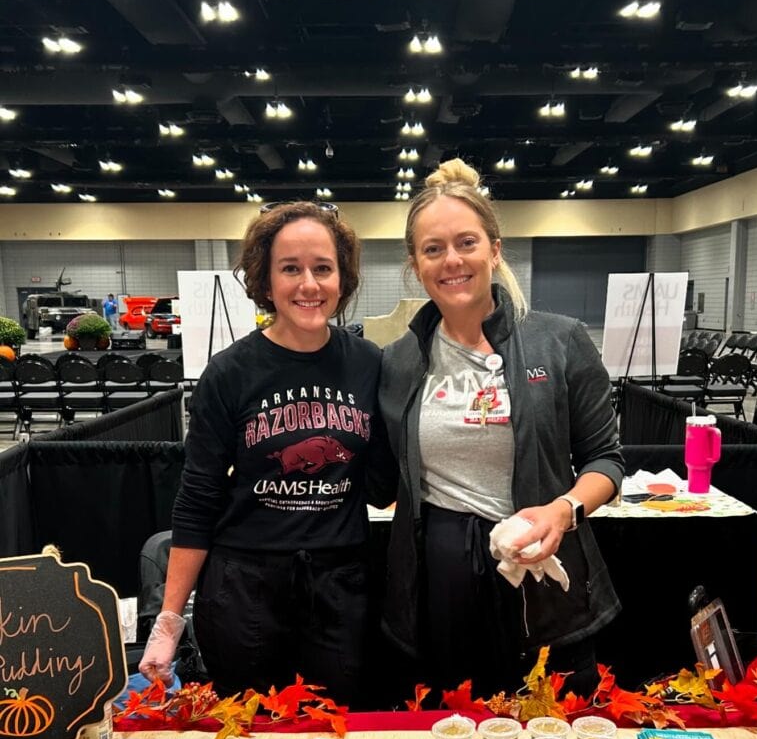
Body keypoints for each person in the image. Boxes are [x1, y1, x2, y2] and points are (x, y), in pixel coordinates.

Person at [378, 159, 624, 698]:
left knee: (551, 722)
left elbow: (606, 460)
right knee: (453, 725)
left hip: (543, 561)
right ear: (416, 264)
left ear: (494, 248)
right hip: (438, 575)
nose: (452, 260)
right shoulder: (397, 361)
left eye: (466, 242)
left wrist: (563, 511)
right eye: (433, 248)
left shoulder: (559, 341)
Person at [139, 201, 392, 704]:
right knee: (249, 736)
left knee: (337, 738)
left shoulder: (369, 364)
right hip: (244, 595)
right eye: (290, 269)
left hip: (339, 591)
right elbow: (198, 499)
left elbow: (385, 485)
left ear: (342, 278)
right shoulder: (230, 372)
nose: (309, 285)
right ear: (265, 278)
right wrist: (169, 618)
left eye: (323, 268)